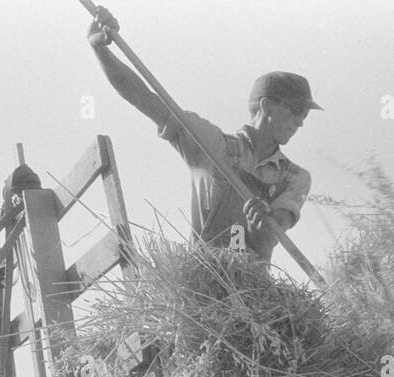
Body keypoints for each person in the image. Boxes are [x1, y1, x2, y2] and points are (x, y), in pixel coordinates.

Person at [87, 6, 319, 262]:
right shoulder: (211, 145)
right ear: (266, 106)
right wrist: (101, 50)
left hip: (252, 296)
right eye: (297, 110)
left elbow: (267, 243)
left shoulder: (295, 177)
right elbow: (144, 98)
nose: (300, 122)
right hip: (203, 287)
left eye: (305, 115)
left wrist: (259, 223)